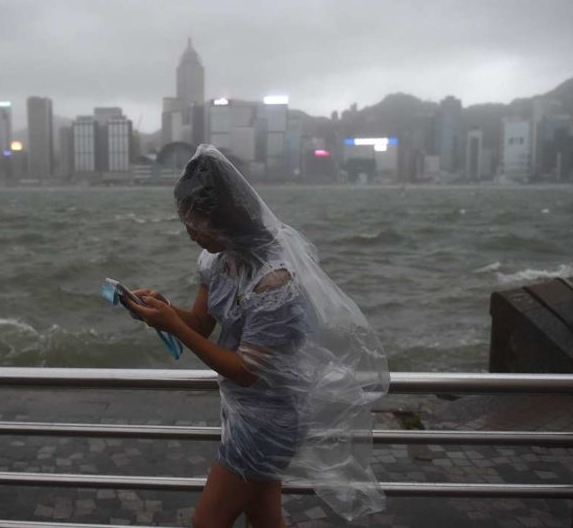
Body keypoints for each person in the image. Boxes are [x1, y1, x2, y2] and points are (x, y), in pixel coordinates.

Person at [125, 145, 389, 527]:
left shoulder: (273, 279)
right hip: (242, 410)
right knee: (265, 520)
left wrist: (172, 324)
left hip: (271, 419)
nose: (191, 235)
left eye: (196, 226)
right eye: (186, 224)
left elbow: (247, 369)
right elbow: (200, 324)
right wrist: (161, 312)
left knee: (206, 524)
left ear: (225, 220)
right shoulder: (218, 259)